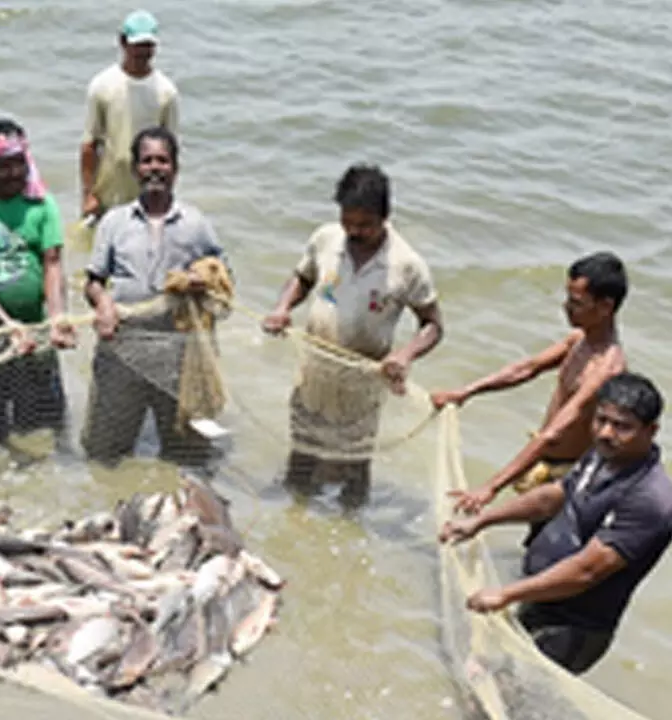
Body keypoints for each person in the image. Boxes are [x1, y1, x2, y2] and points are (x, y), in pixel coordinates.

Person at [439, 372, 672, 676]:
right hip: (540, 598)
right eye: (601, 420)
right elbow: (556, 496)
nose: (605, 432)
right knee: (482, 675)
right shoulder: (603, 455)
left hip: (573, 628)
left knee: (508, 692)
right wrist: (483, 520)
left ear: (651, 431)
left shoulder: (650, 500)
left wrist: (508, 593)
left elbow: (588, 571)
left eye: (622, 426)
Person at [262, 164, 444, 508]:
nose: (355, 231)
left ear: (385, 217)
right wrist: (282, 307)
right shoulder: (326, 239)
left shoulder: (406, 265)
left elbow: (433, 325)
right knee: (303, 446)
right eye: (348, 222)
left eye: (366, 225)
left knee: (355, 461)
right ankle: (295, 510)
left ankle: (350, 519)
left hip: (363, 379)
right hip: (314, 367)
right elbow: (303, 278)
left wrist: (404, 355)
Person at [434, 252, 628, 515]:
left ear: (605, 307)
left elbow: (554, 433)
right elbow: (526, 369)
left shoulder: (607, 368)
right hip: (547, 464)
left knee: (546, 540)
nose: (566, 307)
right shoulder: (579, 341)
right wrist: (465, 392)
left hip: (571, 477)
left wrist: (491, 487)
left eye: (576, 303)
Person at [83, 126, 227, 466]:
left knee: (186, 455)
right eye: (147, 161)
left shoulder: (196, 224)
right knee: (105, 453)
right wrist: (103, 304)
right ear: (135, 169)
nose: (155, 168)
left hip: (179, 354)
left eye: (162, 160)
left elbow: (223, 279)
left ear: (175, 168)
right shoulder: (114, 222)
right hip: (123, 347)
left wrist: (201, 280)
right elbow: (93, 280)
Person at [0, 118, 76, 448]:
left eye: (19, 163)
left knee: (42, 427)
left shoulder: (42, 204)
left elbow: (52, 263)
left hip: (36, 335)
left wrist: (57, 318)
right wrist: (7, 324)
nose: (13, 173)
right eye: (3, 166)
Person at [80, 10, 180, 224]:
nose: (143, 52)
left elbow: (171, 151)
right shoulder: (102, 86)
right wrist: (88, 195)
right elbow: (89, 144)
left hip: (149, 195)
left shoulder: (166, 92)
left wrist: (168, 196)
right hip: (108, 193)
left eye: (148, 45)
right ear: (123, 42)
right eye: (138, 45)